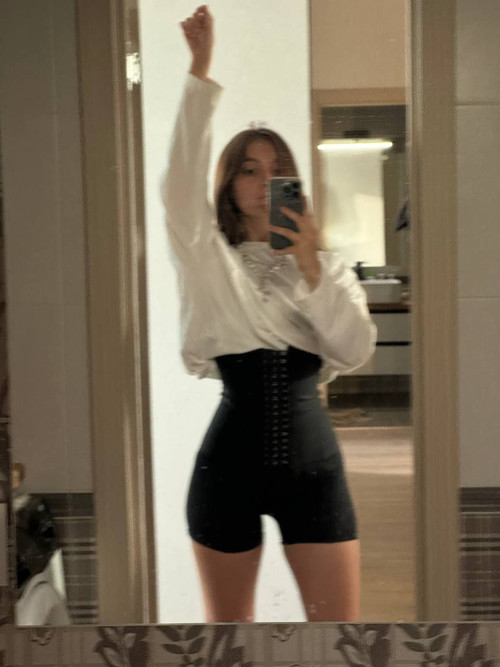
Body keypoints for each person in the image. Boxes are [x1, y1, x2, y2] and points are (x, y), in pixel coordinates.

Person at [161, 5, 377, 622]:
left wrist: (309, 265)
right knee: (230, 643)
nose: (263, 182)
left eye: (277, 171)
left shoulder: (326, 269)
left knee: (337, 641)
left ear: (295, 186)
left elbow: (355, 350)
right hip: (225, 470)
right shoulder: (208, 258)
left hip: (315, 471)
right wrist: (199, 72)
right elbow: (178, 188)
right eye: (249, 170)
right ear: (229, 184)